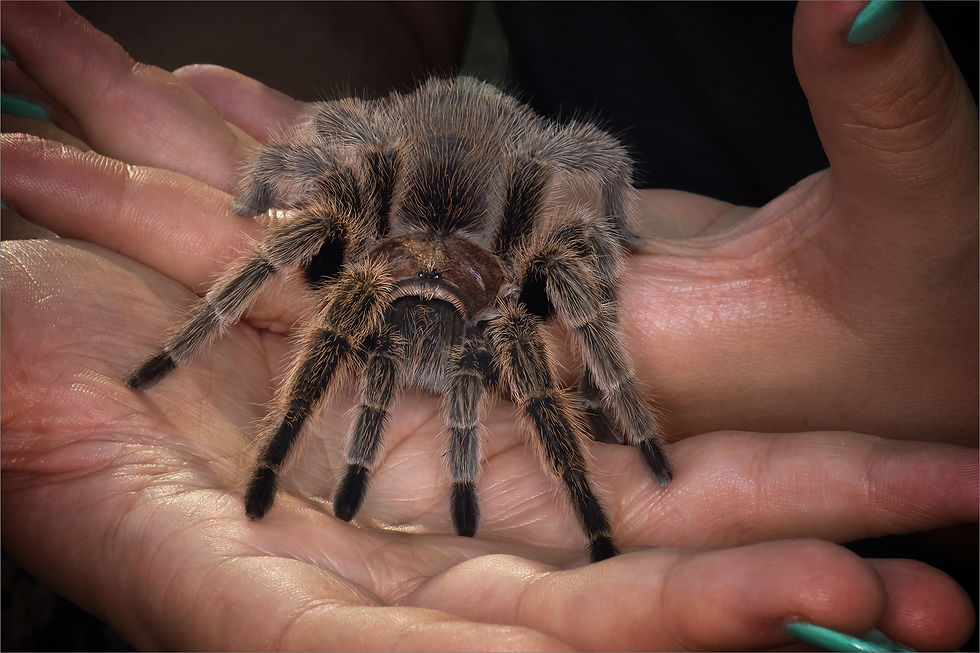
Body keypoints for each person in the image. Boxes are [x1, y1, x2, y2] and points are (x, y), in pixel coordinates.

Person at [1, 1, 976, 650]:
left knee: (534, 310)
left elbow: (582, 166)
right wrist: (194, 260)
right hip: (419, 179)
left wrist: (624, 406)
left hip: (499, 222)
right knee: (315, 235)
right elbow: (332, 132)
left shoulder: (520, 265)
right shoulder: (370, 224)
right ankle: (257, 442)